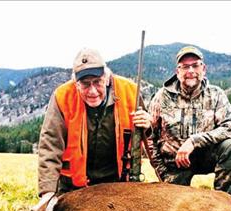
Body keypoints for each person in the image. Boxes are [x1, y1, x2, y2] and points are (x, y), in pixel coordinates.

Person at [38, 48, 151, 197]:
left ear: (106, 77)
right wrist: (47, 193)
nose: (92, 91)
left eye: (97, 82)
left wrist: (149, 127)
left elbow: (151, 141)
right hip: (73, 187)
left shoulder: (131, 92)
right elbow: (50, 145)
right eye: (85, 84)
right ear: (76, 83)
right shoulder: (62, 97)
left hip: (118, 185)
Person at [148, 46, 231, 196]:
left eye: (195, 65)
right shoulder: (161, 97)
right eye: (185, 67)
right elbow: (149, 137)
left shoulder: (216, 94)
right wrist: (161, 171)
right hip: (174, 163)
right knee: (176, 209)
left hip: (206, 156)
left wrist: (194, 141)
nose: (190, 71)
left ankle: (224, 201)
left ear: (203, 69)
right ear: (177, 72)